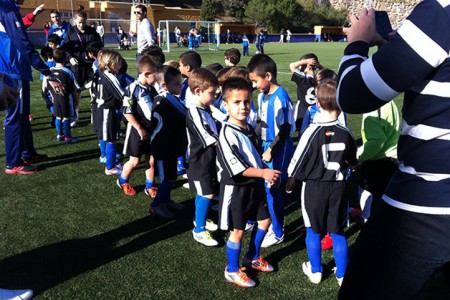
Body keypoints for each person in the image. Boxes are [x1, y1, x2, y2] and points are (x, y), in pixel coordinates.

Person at [336, 5, 450, 299]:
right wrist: (396, 47)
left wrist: (357, 42)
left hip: (428, 200)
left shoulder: (442, 11)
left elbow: (352, 93)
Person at [286, 79, 358, 286]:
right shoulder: (346, 132)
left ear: (317, 104)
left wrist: (292, 179)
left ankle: (316, 270)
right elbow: (352, 158)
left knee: (313, 229)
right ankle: (342, 274)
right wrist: (353, 166)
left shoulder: (311, 131)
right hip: (337, 186)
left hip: (314, 187)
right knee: (337, 231)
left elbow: (299, 159)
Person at [217, 77, 280, 288]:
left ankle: (252, 256)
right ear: (225, 105)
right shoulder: (226, 133)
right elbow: (238, 169)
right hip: (237, 189)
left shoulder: (248, 127)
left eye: (246, 101)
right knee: (238, 231)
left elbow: (254, 156)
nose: (243, 107)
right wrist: (263, 174)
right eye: (236, 102)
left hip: (255, 185)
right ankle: (232, 270)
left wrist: (266, 169)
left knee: (264, 221)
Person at [0, 0, 65, 175]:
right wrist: (46, 70)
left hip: (14, 68)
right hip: (12, 70)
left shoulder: (9, 8)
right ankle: (13, 162)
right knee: (15, 117)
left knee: (22, 115)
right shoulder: (7, 10)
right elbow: (22, 43)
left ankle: (27, 153)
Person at [247, 54, 295, 247]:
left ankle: (278, 232)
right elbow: (261, 122)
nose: (254, 85)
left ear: (268, 75)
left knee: (272, 189)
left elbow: (284, 129)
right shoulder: (262, 95)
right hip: (266, 146)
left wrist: (271, 151)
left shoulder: (281, 97)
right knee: (263, 187)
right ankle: (261, 221)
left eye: (255, 81)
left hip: (279, 147)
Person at [185, 68, 219, 246]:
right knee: (207, 193)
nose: (214, 97)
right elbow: (208, 137)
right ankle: (199, 230)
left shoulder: (203, 108)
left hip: (207, 158)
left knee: (205, 191)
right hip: (199, 160)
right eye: (211, 93)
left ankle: (200, 219)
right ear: (198, 91)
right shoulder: (195, 112)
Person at [149, 65, 187, 219]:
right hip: (163, 147)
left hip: (172, 146)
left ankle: (166, 201)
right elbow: (186, 114)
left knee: (171, 175)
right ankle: (156, 205)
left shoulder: (170, 98)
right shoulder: (163, 100)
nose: (180, 86)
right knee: (167, 177)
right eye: (177, 84)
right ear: (164, 86)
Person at [117, 55, 158, 197]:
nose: (157, 78)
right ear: (146, 74)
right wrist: (139, 128)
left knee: (151, 159)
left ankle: (149, 186)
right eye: (155, 75)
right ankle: (122, 180)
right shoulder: (132, 89)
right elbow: (126, 111)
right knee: (134, 161)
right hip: (136, 131)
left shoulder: (152, 88)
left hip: (151, 130)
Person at [357, 101, 400, 220]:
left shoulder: (372, 109)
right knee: (386, 195)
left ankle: (365, 219)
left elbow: (377, 141)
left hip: (378, 159)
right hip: (393, 158)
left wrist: (360, 157)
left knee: (365, 189)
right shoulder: (390, 102)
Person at [63, 7, 102, 126]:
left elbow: (99, 46)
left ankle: (94, 115)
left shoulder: (92, 31)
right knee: (77, 91)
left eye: (84, 22)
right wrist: (70, 58)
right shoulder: (70, 32)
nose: (82, 24)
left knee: (94, 89)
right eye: (79, 22)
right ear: (75, 20)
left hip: (91, 66)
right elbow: (65, 48)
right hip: (77, 66)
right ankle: (75, 114)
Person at [94, 49, 124, 176]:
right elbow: (122, 95)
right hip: (107, 111)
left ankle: (107, 159)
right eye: (117, 63)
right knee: (111, 139)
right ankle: (110, 167)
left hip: (98, 109)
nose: (120, 66)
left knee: (106, 137)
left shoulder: (98, 73)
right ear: (109, 64)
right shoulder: (110, 77)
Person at [43, 48, 81, 144]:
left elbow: (46, 85)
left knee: (58, 117)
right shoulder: (67, 72)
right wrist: (76, 101)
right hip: (66, 98)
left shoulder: (50, 71)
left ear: (53, 59)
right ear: (65, 59)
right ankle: (68, 138)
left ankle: (60, 135)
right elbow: (75, 89)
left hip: (55, 98)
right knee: (67, 117)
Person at [289, 53, 323, 133]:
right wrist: (318, 65)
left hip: (302, 113)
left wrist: (306, 61)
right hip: (317, 113)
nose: (300, 67)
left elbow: (292, 66)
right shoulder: (319, 80)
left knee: (302, 135)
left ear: (308, 66)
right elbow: (327, 73)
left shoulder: (303, 80)